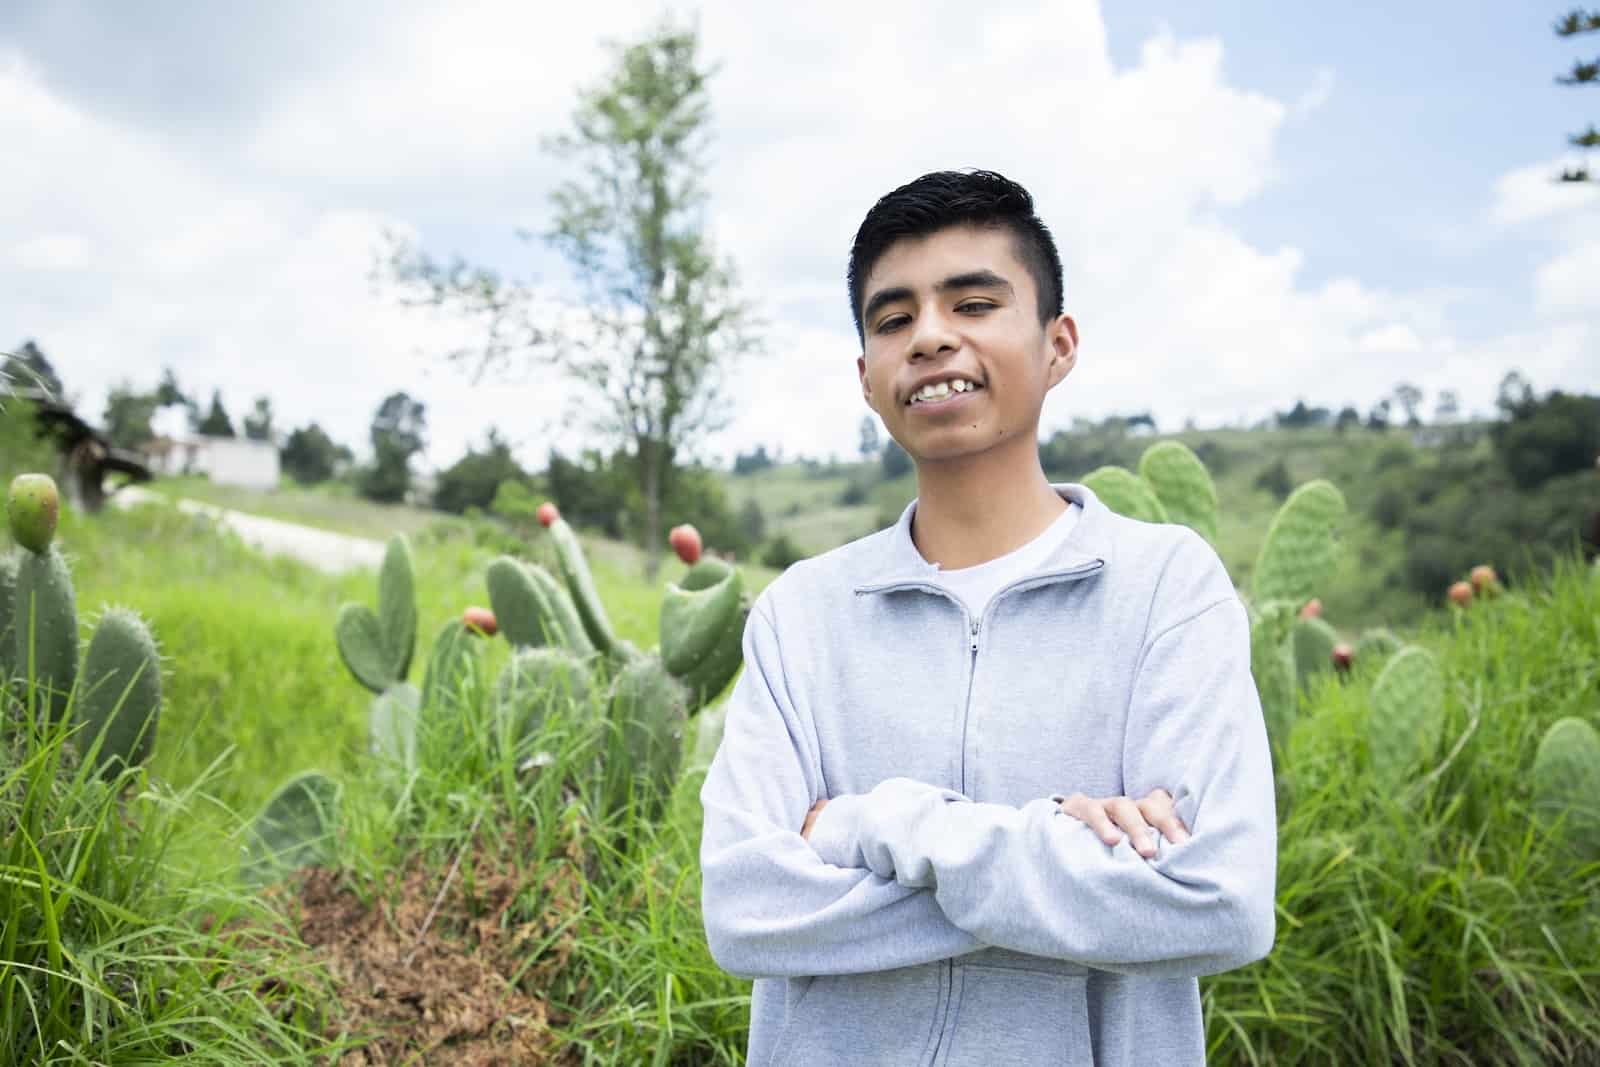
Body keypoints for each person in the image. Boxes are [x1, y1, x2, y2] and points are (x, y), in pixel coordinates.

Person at [699, 169, 1276, 1066]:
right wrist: (1070, 862)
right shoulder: (798, 616)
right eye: (894, 319)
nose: (931, 336)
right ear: (866, 376)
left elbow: (1219, 898)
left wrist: (875, 824)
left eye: (973, 303)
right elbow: (745, 911)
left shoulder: (1167, 587)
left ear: (1058, 344)